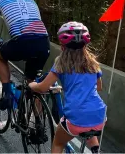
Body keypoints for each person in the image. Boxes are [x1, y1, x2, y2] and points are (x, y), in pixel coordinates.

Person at [29, 21, 106, 153]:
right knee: (90, 128)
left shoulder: (61, 63)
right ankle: (95, 150)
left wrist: (32, 85)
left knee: (58, 143)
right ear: (85, 45)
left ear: (62, 46)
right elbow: (99, 87)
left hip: (75, 116)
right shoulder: (93, 63)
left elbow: (42, 88)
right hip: (99, 115)